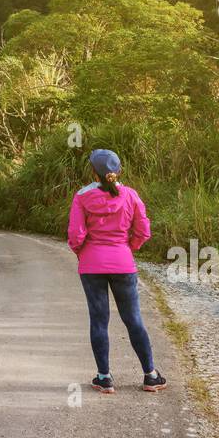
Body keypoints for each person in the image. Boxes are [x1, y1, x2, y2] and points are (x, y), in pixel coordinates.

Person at [67, 148, 167, 394]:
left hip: (92, 266)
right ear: (118, 170)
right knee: (133, 319)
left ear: (93, 171)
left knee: (99, 320)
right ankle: (150, 376)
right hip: (123, 263)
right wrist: (127, 248)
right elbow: (143, 231)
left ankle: (104, 378)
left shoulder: (82, 196)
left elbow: (75, 235)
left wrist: (83, 253)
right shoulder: (131, 195)